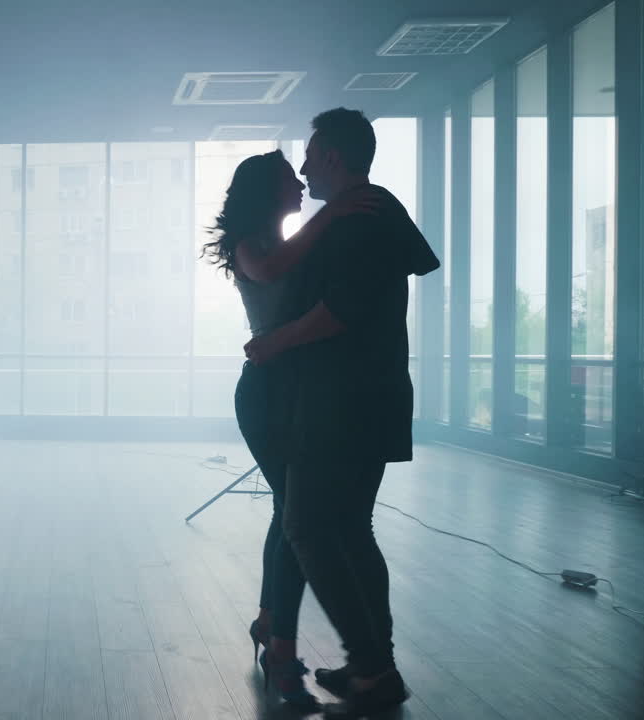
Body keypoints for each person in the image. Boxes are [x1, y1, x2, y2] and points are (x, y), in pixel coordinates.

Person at [244, 108, 439, 719]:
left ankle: (372, 666)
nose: (303, 167)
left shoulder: (361, 216)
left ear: (332, 155)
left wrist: (274, 344)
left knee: (307, 527)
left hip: (338, 401)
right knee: (352, 530)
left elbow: (341, 310)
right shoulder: (370, 211)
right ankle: (368, 666)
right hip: (369, 396)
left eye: (308, 155)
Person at [202, 149, 381, 712]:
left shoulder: (297, 239)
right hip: (266, 392)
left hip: (301, 391)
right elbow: (271, 273)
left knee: (290, 514)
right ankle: (279, 649)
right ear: (266, 191)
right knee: (292, 513)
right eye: (289, 179)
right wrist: (334, 212)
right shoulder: (250, 245)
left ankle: (269, 624)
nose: (301, 182)